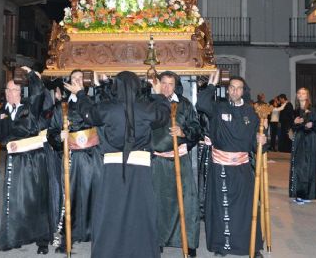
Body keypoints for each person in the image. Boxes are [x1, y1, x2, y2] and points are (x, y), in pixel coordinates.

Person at [69, 71, 169, 258]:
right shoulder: (146, 108)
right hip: (141, 169)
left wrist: (81, 93)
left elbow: (89, 115)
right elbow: (164, 116)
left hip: (113, 170)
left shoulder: (108, 108)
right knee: (141, 211)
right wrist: (158, 95)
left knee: (111, 212)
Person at [0, 66, 52, 254]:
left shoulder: (30, 108)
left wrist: (32, 75)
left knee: (37, 200)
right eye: (8, 90)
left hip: (34, 160)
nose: (10, 93)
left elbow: (39, 93)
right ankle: (15, 237)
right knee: (15, 202)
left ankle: (42, 240)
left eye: (15, 89)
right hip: (15, 163)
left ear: (21, 92)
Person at [196, 69, 265, 258]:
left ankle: (252, 246)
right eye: (232, 88)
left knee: (247, 208)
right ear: (228, 91)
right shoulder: (219, 108)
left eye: (238, 88)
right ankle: (221, 247)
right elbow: (201, 104)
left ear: (244, 91)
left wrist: (261, 141)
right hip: (220, 168)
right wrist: (211, 84)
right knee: (221, 208)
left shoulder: (252, 113)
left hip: (242, 168)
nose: (234, 91)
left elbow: (254, 145)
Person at [47, 69, 102, 251]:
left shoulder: (94, 103)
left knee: (97, 195)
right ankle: (69, 236)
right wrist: (59, 137)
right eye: (73, 79)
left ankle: (99, 235)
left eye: (80, 79)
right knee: (71, 196)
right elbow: (51, 133)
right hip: (72, 157)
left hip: (94, 156)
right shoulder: (61, 107)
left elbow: (103, 122)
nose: (77, 82)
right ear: (67, 84)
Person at [151, 71, 201, 257]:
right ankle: (158, 241)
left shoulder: (185, 105)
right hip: (158, 162)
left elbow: (197, 129)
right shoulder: (151, 103)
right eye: (163, 83)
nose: (166, 87)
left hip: (180, 160)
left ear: (176, 85)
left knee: (187, 202)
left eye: (170, 84)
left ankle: (188, 243)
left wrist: (183, 132)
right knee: (158, 202)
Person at [289, 88, 316, 203]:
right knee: (298, 165)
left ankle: (305, 195)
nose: (300, 95)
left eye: (303, 93)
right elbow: (292, 127)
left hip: (309, 139)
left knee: (306, 166)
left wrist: (313, 124)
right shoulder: (295, 111)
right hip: (299, 139)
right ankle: (302, 194)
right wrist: (295, 123)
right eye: (298, 93)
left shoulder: (313, 110)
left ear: (307, 96)